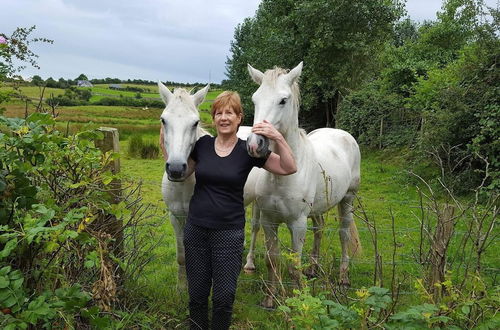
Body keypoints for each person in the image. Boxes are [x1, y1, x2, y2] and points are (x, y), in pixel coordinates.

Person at [163, 91, 296, 329]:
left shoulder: (249, 150)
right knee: (197, 297)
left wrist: (279, 138)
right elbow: (179, 175)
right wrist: (168, 138)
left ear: (239, 118)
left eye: (230, 113)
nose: (224, 118)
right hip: (196, 232)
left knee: (224, 298)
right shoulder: (202, 145)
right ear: (213, 119)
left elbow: (288, 167)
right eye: (219, 113)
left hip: (229, 234)